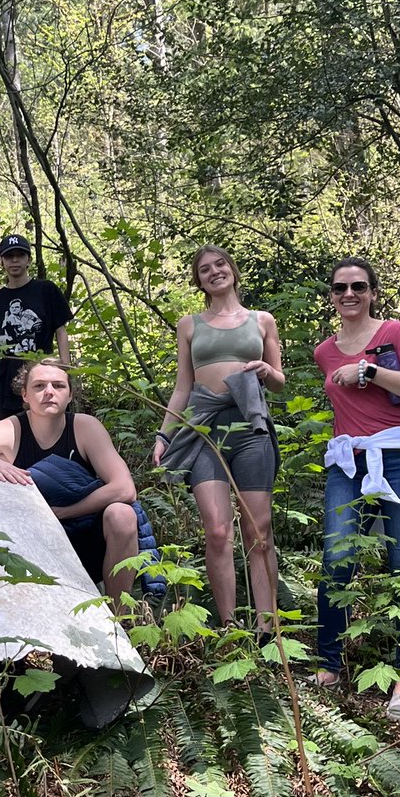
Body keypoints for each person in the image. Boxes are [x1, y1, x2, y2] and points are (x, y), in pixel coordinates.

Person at [152, 246, 284, 631]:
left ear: (233, 269)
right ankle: (230, 628)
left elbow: (279, 381)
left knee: (258, 531)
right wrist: (164, 435)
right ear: (199, 281)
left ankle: (266, 628)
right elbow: (182, 387)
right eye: (205, 269)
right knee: (217, 531)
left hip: (250, 427)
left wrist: (266, 371)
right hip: (204, 430)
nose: (214, 272)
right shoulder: (189, 325)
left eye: (220, 264)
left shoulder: (262, 321)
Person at [0, 358, 139, 608]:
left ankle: (119, 617)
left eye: (58, 385)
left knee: (122, 515)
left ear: (70, 394)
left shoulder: (84, 427)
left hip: (86, 536)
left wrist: (62, 512)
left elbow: (124, 488)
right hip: (31, 542)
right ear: (25, 395)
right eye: (39, 386)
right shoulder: (11, 430)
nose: (49, 392)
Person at [311, 256, 400, 720]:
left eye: (357, 286)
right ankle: (328, 666)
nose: (348, 294)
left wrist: (369, 372)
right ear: (331, 296)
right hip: (348, 462)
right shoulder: (324, 351)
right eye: (340, 288)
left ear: (372, 292)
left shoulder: (396, 333)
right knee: (336, 559)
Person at [0, 234, 73, 422]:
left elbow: (61, 331)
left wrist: (64, 371)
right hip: (7, 379)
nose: (15, 260)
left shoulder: (46, 290)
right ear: (1, 261)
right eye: (9, 256)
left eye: (20, 255)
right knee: (7, 430)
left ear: (29, 260)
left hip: (41, 370)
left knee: (46, 426)